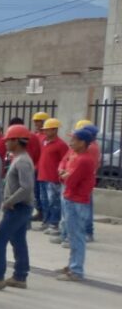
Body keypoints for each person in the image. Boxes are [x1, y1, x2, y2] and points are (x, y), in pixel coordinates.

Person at [0, 125, 35, 291]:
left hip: (18, 207)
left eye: (9, 140)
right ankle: (20, 275)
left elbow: (26, 187)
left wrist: (9, 202)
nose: (6, 143)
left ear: (17, 141)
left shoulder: (23, 161)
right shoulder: (19, 158)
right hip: (19, 206)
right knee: (18, 240)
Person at [57, 126, 98, 282]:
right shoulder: (75, 155)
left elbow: (70, 180)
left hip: (76, 200)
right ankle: (72, 265)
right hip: (72, 198)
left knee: (76, 236)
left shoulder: (83, 159)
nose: (71, 142)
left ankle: (76, 270)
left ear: (82, 142)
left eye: (74, 139)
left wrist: (63, 175)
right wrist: (64, 173)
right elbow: (63, 167)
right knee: (73, 235)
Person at [36, 118, 69, 237]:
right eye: (44, 130)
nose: (45, 132)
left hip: (53, 178)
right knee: (44, 201)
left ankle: (54, 224)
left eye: (48, 130)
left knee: (53, 202)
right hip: (42, 176)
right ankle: (46, 221)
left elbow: (65, 161)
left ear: (55, 130)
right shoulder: (44, 141)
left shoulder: (61, 145)